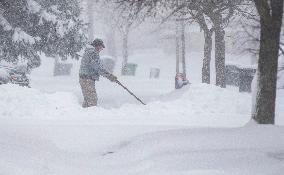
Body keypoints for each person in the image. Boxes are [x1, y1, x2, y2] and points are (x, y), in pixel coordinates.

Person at [79, 38, 117, 108]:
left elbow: (97, 66)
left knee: (88, 100)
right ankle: (92, 116)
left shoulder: (89, 52)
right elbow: (98, 68)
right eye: (101, 47)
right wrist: (110, 76)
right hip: (87, 79)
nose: (101, 49)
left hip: (84, 78)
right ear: (97, 46)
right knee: (92, 100)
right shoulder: (92, 53)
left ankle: (83, 115)